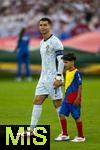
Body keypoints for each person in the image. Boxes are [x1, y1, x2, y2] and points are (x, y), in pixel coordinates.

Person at [55, 53, 86, 142]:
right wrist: (60, 84)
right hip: (67, 98)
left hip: (74, 99)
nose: (64, 64)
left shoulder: (77, 72)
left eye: (66, 62)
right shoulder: (67, 72)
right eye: (64, 62)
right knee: (61, 114)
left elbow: (80, 86)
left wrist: (78, 98)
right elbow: (68, 83)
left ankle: (81, 136)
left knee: (76, 117)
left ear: (72, 62)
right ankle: (64, 134)